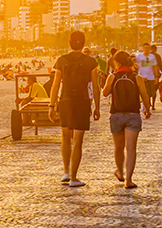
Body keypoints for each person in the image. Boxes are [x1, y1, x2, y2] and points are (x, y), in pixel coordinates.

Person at [48, 31, 104, 188]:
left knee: (65, 137)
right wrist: (97, 107)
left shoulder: (61, 60)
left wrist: (51, 106)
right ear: (84, 43)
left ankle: (66, 171)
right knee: (78, 141)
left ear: (69, 43)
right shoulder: (90, 62)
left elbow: (55, 85)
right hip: (82, 102)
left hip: (65, 101)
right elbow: (95, 85)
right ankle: (74, 178)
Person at [105, 51, 143, 188]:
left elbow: (104, 92)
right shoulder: (136, 77)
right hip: (133, 114)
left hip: (116, 115)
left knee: (118, 147)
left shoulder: (113, 76)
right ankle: (129, 180)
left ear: (118, 63)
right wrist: (148, 109)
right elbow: (144, 94)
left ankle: (120, 171)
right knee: (131, 148)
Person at [135, 44, 162, 117]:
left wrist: (156, 77)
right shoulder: (139, 57)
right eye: (145, 48)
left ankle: (148, 106)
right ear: (143, 48)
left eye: (148, 48)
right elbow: (135, 66)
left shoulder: (152, 57)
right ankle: (145, 107)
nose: (146, 49)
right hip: (142, 77)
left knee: (151, 93)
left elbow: (155, 67)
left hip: (151, 77)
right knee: (144, 92)